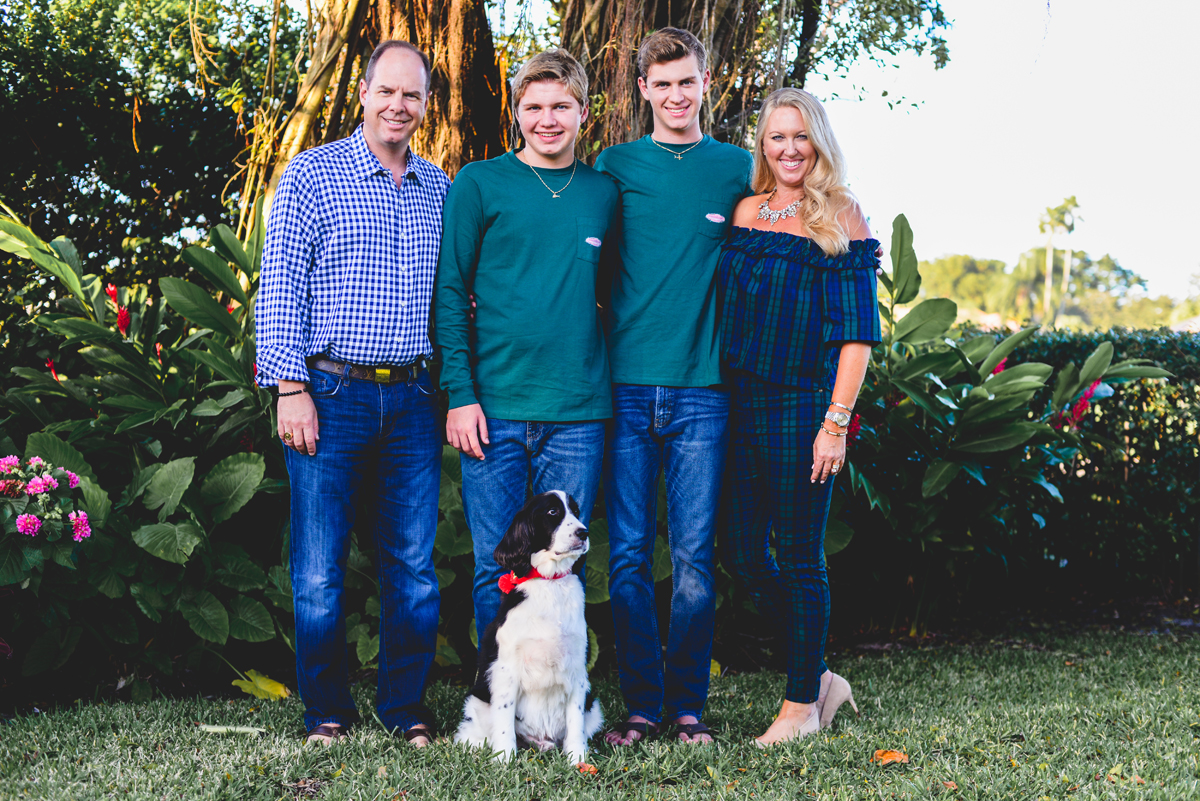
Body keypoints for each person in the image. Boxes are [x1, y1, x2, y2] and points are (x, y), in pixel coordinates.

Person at [256, 40, 449, 747]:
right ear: (363, 91)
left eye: (414, 96)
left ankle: (405, 708)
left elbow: (455, 299)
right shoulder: (313, 175)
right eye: (388, 91)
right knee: (317, 568)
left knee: (413, 568)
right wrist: (290, 386)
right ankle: (327, 712)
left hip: (413, 399)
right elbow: (280, 287)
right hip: (329, 394)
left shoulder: (441, 188)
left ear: (426, 105)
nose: (400, 106)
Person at [593, 28, 752, 746]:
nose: (676, 95)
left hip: (703, 392)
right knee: (625, 555)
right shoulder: (614, 165)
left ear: (706, 81)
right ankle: (639, 706)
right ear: (643, 91)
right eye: (662, 85)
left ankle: (687, 707)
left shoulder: (737, 168)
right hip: (624, 387)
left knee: (692, 556)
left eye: (687, 82)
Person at [434, 48, 618, 641]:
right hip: (494, 409)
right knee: (499, 567)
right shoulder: (480, 182)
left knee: (564, 565)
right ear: (517, 113)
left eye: (561, 106)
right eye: (534, 106)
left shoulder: (603, 193)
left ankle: (551, 712)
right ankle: (498, 707)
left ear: (583, 113)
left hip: (577, 413)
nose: (547, 118)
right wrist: (460, 393)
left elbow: (617, 295)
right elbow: (451, 291)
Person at [716, 87, 882, 746]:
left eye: (800, 137)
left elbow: (857, 334)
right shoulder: (747, 209)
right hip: (736, 404)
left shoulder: (841, 214)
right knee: (742, 552)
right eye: (776, 137)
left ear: (819, 143)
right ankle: (820, 676)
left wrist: (834, 422)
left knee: (801, 558)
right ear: (763, 145)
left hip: (800, 404)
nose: (788, 148)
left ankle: (799, 706)